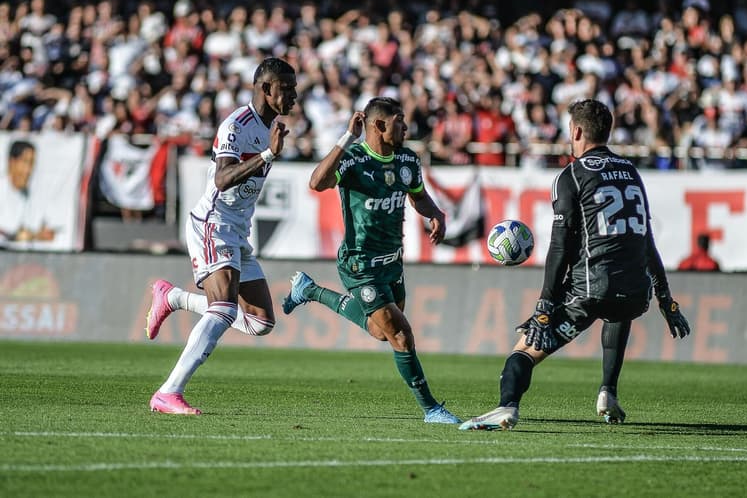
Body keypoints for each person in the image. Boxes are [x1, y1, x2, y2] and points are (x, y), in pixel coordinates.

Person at [459, 99, 691, 431]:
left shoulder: (572, 175)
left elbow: (560, 247)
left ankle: (505, 406)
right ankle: (607, 392)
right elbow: (646, 241)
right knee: (618, 307)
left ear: (577, 131)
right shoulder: (631, 172)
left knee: (522, 352)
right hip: (636, 292)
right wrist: (666, 300)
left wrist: (544, 305)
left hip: (588, 290)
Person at [280, 97, 461, 424]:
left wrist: (436, 214)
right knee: (401, 336)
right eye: (399, 121)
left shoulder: (407, 159)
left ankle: (310, 291)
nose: (406, 127)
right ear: (379, 125)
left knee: (382, 333)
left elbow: (418, 196)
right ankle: (431, 408)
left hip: (393, 261)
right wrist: (346, 138)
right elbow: (316, 182)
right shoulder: (353, 160)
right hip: (360, 266)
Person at [144, 57, 298, 414]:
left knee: (260, 321)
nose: (293, 96)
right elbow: (222, 179)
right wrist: (267, 154)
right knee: (224, 308)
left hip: (236, 231)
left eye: (294, 89)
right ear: (265, 89)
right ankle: (169, 392)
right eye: (286, 89)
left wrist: (268, 151)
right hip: (213, 223)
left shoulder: (271, 126)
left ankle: (174, 298)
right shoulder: (236, 125)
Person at [0, 140, 57, 244]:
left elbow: (45, 229)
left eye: (32, 163)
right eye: (25, 162)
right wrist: (17, 236)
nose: (28, 170)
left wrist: (38, 234)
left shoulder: (32, 195)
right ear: (12, 162)